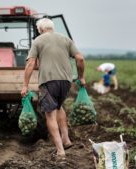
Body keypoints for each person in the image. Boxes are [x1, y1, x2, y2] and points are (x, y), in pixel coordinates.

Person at [20, 18, 86, 160]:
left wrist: (25, 85)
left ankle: (60, 151)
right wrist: (81, 77)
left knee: (50, 114)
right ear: (52, 27)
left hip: (48, 81)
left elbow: (31, 63)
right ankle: (66, 139)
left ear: (40, 29)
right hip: (66, 81)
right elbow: (80, 58)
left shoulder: (38, 40)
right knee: (59, 107)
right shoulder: (66, 39)